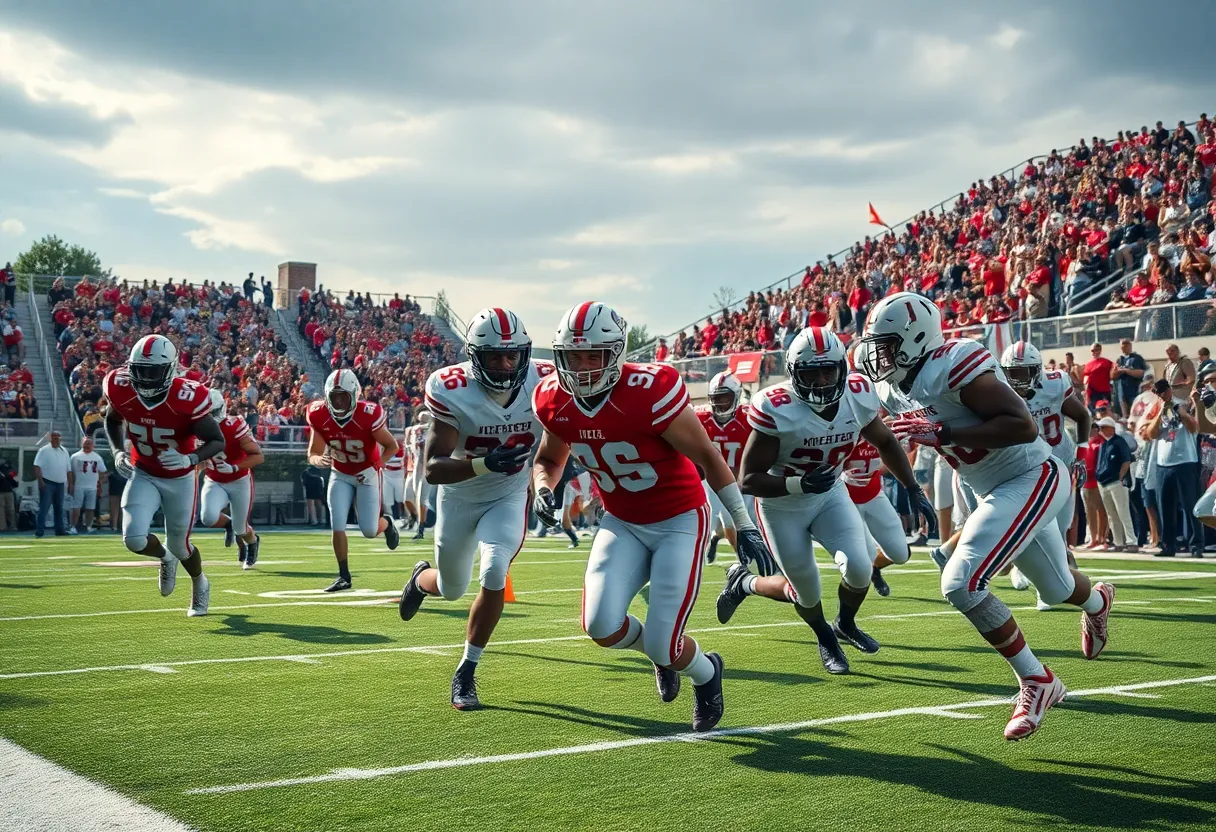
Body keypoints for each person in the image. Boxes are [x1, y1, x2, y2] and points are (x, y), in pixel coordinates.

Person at [859, 292, 1113, 741]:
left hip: (1031, 475)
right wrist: (914, 485)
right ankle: (1098, 602)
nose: (880, 355)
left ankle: (1036, 680)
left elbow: (1022, 425)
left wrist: (946, 431)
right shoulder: (891, 387)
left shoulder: (954, 361)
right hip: (988, 487)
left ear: (916, 338)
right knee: (1056, 589)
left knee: (961, 582)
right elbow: (891, 438)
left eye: (888, 344)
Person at [530, 301, 777, 732]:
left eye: (596, 356)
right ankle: (664, 652)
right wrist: (543, 488)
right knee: (600, 626)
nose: (584, 367)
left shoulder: (649, 390)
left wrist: (744, 522)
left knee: (666, 646)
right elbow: (549, 457)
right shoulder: (553, 397)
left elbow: (707, 455)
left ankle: (706, 672)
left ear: (617, 354)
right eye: (575, 356)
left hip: (678, 519)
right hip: (621, 520)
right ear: (560, 356)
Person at [717, 328, 933, 675]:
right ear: (794, 374)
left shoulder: (858, 395)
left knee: (860, 568)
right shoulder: (778, 407)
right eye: (811, 373)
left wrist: (913, 488)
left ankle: (845, 624)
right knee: (806, 587)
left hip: (831, 494)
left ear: (841, 370)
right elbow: (750, 479)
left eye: (827, 371)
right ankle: (824, 636)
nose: (820, 381)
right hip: (782, 506)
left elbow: (887, 441)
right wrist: (798, 482)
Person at [397, 309, 552, 710]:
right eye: (493, 357)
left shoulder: (547, 380)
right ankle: (419, 580)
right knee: (451, 589)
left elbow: (562, 441)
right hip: (461, 494)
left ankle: (466, 670)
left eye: (511, 356)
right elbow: (432, 469)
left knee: (495, 568)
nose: (504, 365)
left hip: (509, 494)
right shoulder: (452, 388)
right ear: (474, 357)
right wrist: (485, 462)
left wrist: (548, 485)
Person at [103, 334, 226, 617]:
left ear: (169, 370)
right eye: (140, 370)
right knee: (134, 539)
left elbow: (217, 441)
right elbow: (112, 419)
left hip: (180, 477)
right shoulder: (120, 386)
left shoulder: (187, 398)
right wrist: (117, 451)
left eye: (153, 371)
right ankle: (163, 557)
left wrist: (191, 457)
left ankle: (199, 582)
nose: (145, 378)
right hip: (143, 471)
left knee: (181, 545)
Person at [999, 342, 1092, 605]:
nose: (1016, 380)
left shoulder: (1055, 384)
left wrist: (1082, 458)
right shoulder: (999, 390)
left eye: (1023, 373)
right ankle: (1039, 581)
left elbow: (1083, 416)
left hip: (1059, 460)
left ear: (1037, 370)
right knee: (1036, 524)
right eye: (1011, 373)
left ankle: (1043, 580)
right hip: (1025, 465)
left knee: (1060, 527)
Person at [306, 368, 401, 591]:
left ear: (354, 394)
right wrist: (318, 460)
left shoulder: (368, 414)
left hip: (367, 474)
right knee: (337, 524)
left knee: (369, 530)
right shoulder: (318, 413)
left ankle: (386, 523)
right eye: (334, 397)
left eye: (343, 396)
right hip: (340, 474)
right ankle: (344, 576)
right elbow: (313, 453)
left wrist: (375, 467)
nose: (338, 402)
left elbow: (392, 446)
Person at [199, 390, 264, 569]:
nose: (208, 418)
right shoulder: (194, 428)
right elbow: (197, 459)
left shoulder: (234, 425)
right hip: (214, 480)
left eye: (211, 413)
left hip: (239, 480)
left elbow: (258, 456)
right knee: (208, 517)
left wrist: (235, 466)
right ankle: (229, 525)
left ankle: (252, 542)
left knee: (242, 529)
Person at [695, 371, 753, 563]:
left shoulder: (749, 419)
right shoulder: (700, 417)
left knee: (742, 523)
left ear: (736, 397)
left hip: (743, 480)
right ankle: (745, 562)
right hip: (713, 481)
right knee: (730, 520)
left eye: (724, 398)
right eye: (716, 398)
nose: (719, 403)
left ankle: (716, 537)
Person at [1144, 378, 1202, 557]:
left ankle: (1196, 545)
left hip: (1185, 461)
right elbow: (1150, 434)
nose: (1161, 395)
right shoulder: (1159, 409)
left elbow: (1193, 427)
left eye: (1163, 391)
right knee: (1165, 507)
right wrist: (1161, 411)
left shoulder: (1182, 404)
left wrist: (1178, 410)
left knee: (1190, 505)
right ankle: (1168, 545)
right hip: (1164, 463)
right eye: (1158, 393)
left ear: (1169, 390)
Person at [1094, 417, 1135, 551]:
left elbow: (1126, 460)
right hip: (1104, 483)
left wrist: (1120, 477)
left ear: (1112, 428)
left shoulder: (1119, 442)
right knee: (1112, 515)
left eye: (1104, 427)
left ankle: (1131, 541)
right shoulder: (1103, 444)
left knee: (1123, 512)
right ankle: (1118, 542)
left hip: (1116, 482)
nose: (1101, 430)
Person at [33, 431, 71, 538]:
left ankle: (59, 530)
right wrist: (40, 480)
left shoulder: (64, 451)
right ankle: (39, 530)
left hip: (60, 483)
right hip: (48, 482)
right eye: (54, 437)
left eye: (58, 437)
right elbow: (36, 466)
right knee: (44, 507)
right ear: (50, 438)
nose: (56, 439)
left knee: (59, 508)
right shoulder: (44, 450)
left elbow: (68, 469)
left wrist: (69, 483)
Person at [69, 437, 107, 534]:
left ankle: (89, 526)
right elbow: (71, 472)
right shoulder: (75, 456)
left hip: (92, 486)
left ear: (93, 446)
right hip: (79, 485)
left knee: (90, 508)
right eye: (86, 443)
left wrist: (99, 481)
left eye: (89, 444)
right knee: (76, 507)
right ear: (82, 444)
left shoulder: (97, 457)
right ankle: (73, 526)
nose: (87, 446)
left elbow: (102, 471)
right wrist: (72, 484)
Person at [406, 411, 432, 539]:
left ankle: (421, 528)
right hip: (417, 465)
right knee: (415, 496)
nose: (421, 423)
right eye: (420, 420)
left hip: (429, 467)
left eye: (424, 420)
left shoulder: (431, 431)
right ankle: (418, 524)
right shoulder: (415, 431)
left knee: (423, 498)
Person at [1112, 339, 1148, 418]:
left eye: (1127, 345)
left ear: (1130, 346)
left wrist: (1126, 371)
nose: (1125, 347)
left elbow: (1141, 373)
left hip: (1134, 391)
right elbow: (1113, 375)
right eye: (1123, 345)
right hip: (1121, 392)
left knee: (1136, 413)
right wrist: (1120, 371)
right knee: (1124, 414)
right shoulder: (1119, 360)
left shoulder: (1137, 358)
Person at [381, 428, 407, 525]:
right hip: (387, 473)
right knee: (387, 499)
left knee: (401, 498)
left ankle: (403, 517)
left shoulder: (401, 446)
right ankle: (389, 517)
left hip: (399, 473)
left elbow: (402, 460)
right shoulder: (383, 445)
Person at [1083, 343, 1113, 412]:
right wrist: (1086, 394)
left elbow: (1113, 373)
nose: (1094, 352)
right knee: (1094, 412)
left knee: (1106, 410)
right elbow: (1085, 380)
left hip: (1104, 392)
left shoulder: (1106, 362)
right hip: (1092, 393)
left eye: (1095, 350)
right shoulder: (1088, 364)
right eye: (1092, 351)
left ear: (1100, 350)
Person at [0, 458, 17, 531]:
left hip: (2, 491)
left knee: (1, 510)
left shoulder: (7, 471)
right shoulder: (9, 470)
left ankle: (3, 526)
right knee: (11, 509)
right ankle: (13, 526)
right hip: (8, 491)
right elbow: (14, 481)